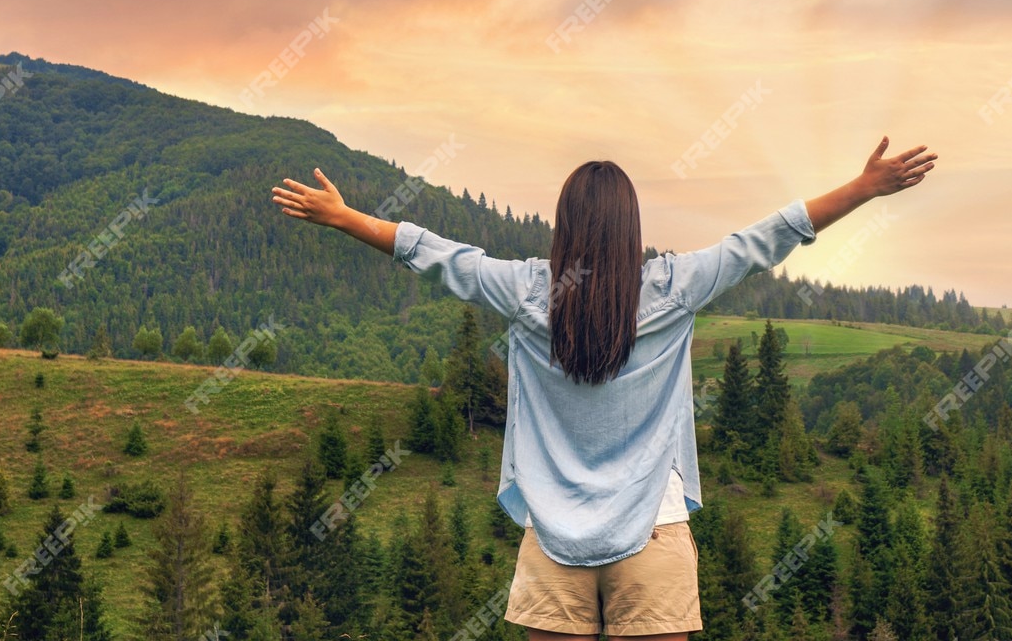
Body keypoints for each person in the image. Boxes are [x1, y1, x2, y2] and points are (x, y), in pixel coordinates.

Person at [272, 136, 937, 640]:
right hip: (655, 533)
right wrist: (865, 187)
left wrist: (343, 217)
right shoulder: (675, 288)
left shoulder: (528, 290)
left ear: (565, 225)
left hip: (552, 539)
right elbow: (768, 236)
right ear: (631, 226)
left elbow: (431, 252)